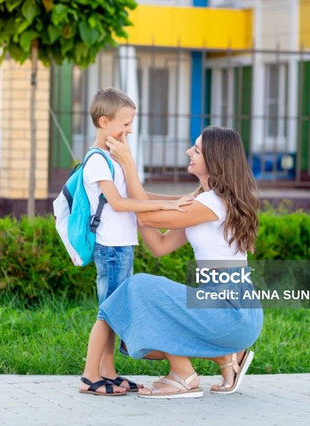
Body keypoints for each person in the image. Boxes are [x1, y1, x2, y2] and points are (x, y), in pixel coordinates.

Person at [88, 126, 263, 399]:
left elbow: (145, 218)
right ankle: (226, 358)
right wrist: (131, 204)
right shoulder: (204, 203)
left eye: (197, 149)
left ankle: (183, 375)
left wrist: (128, 165)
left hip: (231, 311)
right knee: (144, 305)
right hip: (232, 311)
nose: (188, 152)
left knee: (141, 288)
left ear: (215, 159)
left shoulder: (212, 204)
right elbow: (159, 245)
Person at [78, 88, 194, 396]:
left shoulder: (113, 159)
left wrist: (176, 200)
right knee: (109, 312)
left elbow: (136, 197)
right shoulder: (97, 161)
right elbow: (118, 203)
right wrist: (165, 208)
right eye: (125, 124)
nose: (129, 130)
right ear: (104, 121)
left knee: (113, 311)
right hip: (111, 248)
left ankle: (109, 372)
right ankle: (90, 376)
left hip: (121, 246)